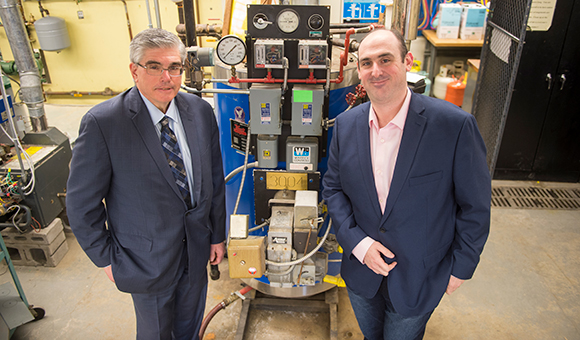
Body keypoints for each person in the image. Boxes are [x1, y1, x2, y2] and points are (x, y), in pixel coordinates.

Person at [322, 28, 491, 340]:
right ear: (358, 71)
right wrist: (360, 244)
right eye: (367, 63)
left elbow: (475, 205)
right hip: (362, 272)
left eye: (386, 59)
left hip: (421, 275)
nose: (376, 70)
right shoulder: (346, 126)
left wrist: (461, 267)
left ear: (408, 61)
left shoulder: (453, 126)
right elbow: (333, 189)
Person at [66, 28, 226, 340]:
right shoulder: (104, 123)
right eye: (154, 67)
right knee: (154, 333)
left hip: (195, 250)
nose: (167, 77)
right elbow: (81, 204)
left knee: (189, 328)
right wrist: (105, 258)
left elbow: (214, 180)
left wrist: (217, 235)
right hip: (144, 260)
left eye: (175, 67)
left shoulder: (200, 110)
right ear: (134, 71)